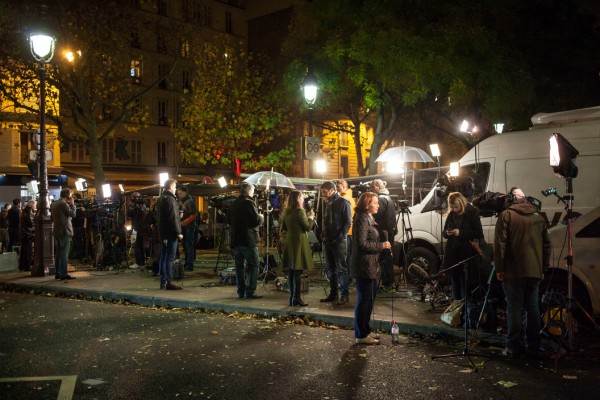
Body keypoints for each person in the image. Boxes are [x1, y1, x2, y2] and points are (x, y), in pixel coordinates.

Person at [494, 187, 552, 359]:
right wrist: (543, 268)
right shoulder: (538, 217)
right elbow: (546, 245)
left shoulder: (506, 215)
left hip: (513, 271)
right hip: (534, 271)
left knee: (514, 309)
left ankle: (513, 347)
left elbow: (500, 245)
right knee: (533, 308)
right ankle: (534, 345)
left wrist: (499, 268)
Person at [351, 192, 391, 345]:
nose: (378, 205)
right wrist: (381, 246)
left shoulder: (368, 217)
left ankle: (366, 331)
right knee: (364, 300)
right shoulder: (362, 218)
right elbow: (361, 244)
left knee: (369, 299)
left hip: (371, 265)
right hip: (363, 266)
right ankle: (360, 335)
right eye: (375, 202)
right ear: (367, 204)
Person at [442, 192, 483, 301]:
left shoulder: (471, 212)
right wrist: (447, 233)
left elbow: (478, 233)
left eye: (456, 207)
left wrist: (460, 233)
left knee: (465, 283)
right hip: (453, 254)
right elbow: (444, 232)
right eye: (452, 207)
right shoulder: (451, 214)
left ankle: (465, 310)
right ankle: (456, 308)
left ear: (461, 203)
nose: (454, 209)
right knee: (454, 283)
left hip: (466, 254)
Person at [227, 182, 264, 299]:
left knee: (239, 267)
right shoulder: (249, 203)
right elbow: (255, 221)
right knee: (254, 264)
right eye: (253, 190)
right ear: (248, 191)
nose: (254, 193)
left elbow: (229, 220)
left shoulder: (234, 203)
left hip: (236, 239)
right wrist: (261, 217)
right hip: (248, 239)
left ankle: (240, 291)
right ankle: (250, 291)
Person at [319, 181, 351, 305]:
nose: (323, 195)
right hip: (328, 241)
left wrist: (339, 237)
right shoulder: (328, 203)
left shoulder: (343, 202)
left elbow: (348, 222)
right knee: (331, 268)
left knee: (341, 268)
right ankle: (334, 294)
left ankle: (344, 295)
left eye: (325, 192)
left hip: (339, 241)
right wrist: (323, 233)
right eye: (322, 192)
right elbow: (326, 220)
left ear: (332, 190)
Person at [281, 190, 315, 307]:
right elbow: (307, 227)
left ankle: (292, 297)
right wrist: (311, 217)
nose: (302, 199)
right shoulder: (300, 211)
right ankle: (297, 298)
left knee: (291, 270)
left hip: (290, 241)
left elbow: (284, 227)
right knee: (298, 270)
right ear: (297, 199)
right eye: (301, 197)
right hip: (299, 242)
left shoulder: (287, 211)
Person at [369, 179, 396, 291]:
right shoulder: (388, 198)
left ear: (376, 186)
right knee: (387, 257)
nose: (371, 189)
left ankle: (388, 283)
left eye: (371, 187)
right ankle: (388, 283)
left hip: (383, 233)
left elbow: (377, 215)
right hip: (389, 232)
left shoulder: (381, 199)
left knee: (384, 258)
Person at [156, 179, 183, 290]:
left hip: (163, 233)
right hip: (170, 233)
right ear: (171, 186)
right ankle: (168, 281)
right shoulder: (171, 199)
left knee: (163, 257)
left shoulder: (160, 199)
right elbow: (173, 218)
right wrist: (178, 232)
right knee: (170, 258)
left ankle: (163, 281)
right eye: (175, 186)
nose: (176, 189)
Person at [50, 189, 76, 280]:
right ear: (67, 195)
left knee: (58, 253)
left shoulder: (54, 204)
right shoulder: (63, 204)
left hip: (57, 231)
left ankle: (57, 272)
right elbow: (73, 214)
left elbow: (52, 218)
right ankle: (64, 274)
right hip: (65, 231)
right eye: (70, 194)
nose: (71, 196)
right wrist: (72, 205)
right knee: (64, 254)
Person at [177, 186, 198, 271]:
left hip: (189, 226)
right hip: (185, 226)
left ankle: (190, 264)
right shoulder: (183, 202)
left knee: (189, 245)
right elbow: (182, 212)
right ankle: (187, 263)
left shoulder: (190, 202)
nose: (179, 195)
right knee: (186, 245)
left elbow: (195, 214)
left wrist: (183, 222)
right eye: (178, 193)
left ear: (185, 193)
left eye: (180, 193)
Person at [336, 179, 355, 270]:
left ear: (344, 187)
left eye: (338, 187)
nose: (337, 189)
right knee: (348, 255)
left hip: (346, 232)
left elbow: (347, 218)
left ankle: (347, 277)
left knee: (345, 256)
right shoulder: (348, 197)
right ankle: (348, 275)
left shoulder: (345, 199)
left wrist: (341, 233)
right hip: (349, 231)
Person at [127, 192, 148, 270]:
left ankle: (142, 262)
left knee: (142, 246)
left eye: (137, 197)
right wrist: (134, 207)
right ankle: (138, 262)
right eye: (134, 197)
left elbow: (145, 214)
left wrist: (141, 207)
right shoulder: (132, 206)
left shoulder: (143, 205)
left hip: (142, 228)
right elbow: (129, 214)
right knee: (136, 245)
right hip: (135, 228)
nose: (136, 199)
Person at [19, 200, 36, 271]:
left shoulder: (24, 211)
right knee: (27, 250)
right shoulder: (28, 211)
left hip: (24, 233)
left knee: (24, 250)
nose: (35, 206)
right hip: (28, 233)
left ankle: (22, 266)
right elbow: (30, 222)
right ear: (32, 205)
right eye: (35, 205)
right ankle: (27, 266)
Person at [71, 193, 86, 263]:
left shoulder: (81, 206)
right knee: (75, 241)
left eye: (74, 197)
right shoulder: (72, 206)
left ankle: (80, 255)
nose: (73, 199)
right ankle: (77, 254)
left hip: (80, 226)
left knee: (79, 241)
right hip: (74, 225)